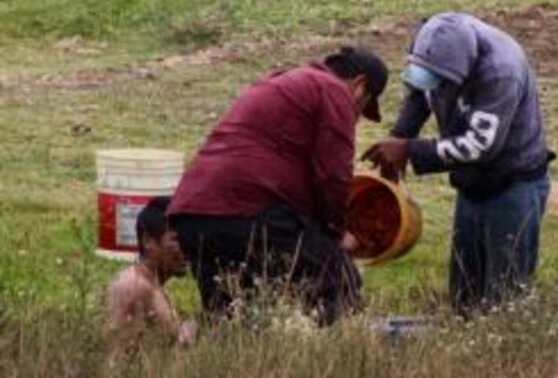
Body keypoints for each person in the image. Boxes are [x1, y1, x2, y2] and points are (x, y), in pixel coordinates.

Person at [167, 46, 388, 324]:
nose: (356, 118)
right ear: (359, 85)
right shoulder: (333, 90)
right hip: (248, 210)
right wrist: (336, 232)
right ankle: (335, 361)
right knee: (338, 283)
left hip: (192, 214)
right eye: (362, 108)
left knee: (229, 317)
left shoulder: (285, 82)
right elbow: (333, 175)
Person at [363, 13, 552, 312]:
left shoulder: (502, 70)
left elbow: (481, 146)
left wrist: (409, 150)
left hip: (512, 184)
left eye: (443, 81)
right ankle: (465, 346)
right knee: (465, 290)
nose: (437, 87)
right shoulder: (430, 37)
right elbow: (421, 93)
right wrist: (400, 136)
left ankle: (503, 356)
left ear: (465, 68)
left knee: (504, 298)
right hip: (471, 184)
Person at [106, 197, 195, 366]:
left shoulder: (154, 284)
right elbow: (122, 363)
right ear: (148, 241)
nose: (188, 246)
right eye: (177, 239)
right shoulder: (135, 287)